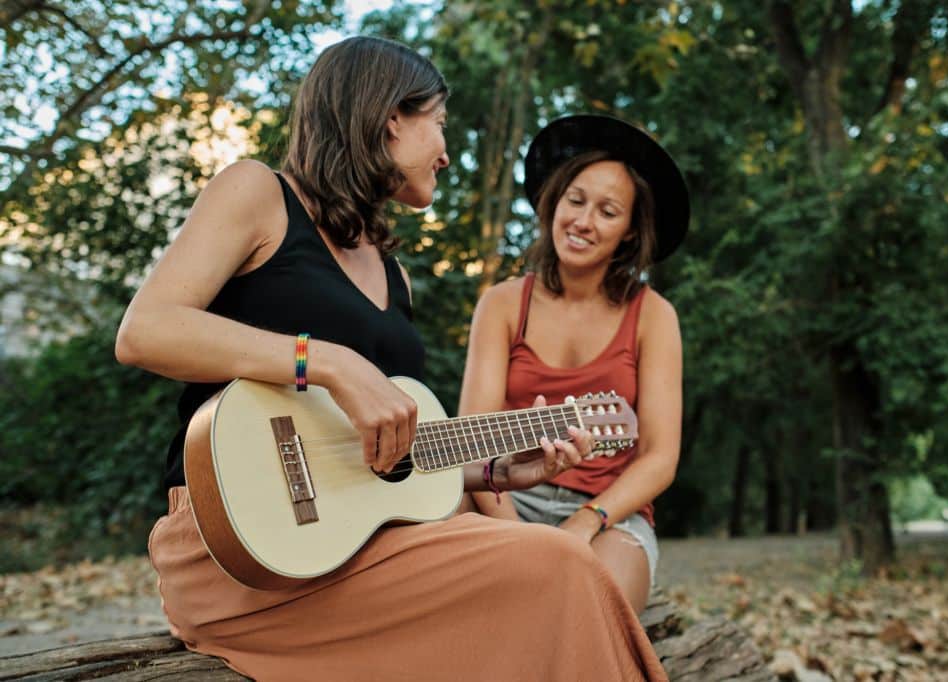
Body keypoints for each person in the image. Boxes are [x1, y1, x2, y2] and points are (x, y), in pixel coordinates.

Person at [115, 39, 667, 681]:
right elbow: (145, 331)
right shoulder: (258, 194)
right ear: (389, 119)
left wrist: (491, 472)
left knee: (554, 569)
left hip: (365, 545)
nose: (446, 150)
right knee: (560, 564)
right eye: (439, 124)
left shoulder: (392, 275)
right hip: (241, 552)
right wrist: (324, 362)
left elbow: (375, 466)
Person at [459, 114, 687, 614]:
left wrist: (586, 520)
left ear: (629, 233)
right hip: (503, 502)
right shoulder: (500, 305)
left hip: (610, 516)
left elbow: (659, 456)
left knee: (586, 610)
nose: (583, 221)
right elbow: (474, 439)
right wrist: (519, 537)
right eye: (575, 200)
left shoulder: (654, 316)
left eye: (607, 211)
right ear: (554, 203)